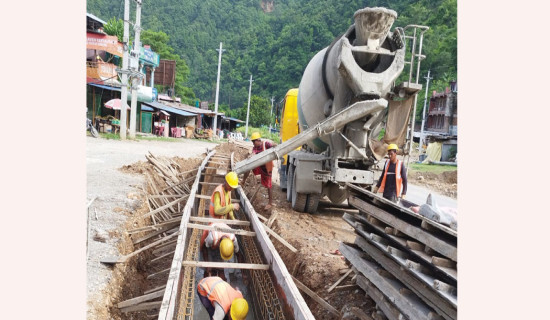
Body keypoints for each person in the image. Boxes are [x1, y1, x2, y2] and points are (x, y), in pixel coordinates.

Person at [242, 132, 277, 210]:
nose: (253, 144)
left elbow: (273, 146)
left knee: (269, 185)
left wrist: (274, 145)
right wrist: (251, 155)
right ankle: (243, 181)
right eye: (252, 142)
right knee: (248, 166)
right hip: (260, 166)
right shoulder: (255, 147)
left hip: (267, 167)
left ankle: (270, 203)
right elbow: (254, 152)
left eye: (254, 142)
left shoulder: (266, 144)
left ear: (258, 140)